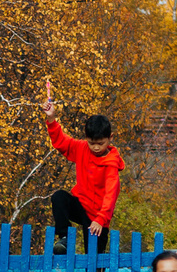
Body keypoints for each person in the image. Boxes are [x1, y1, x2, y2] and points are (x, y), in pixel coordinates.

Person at [41, 80, 124, 245]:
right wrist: (51, 120)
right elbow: (61, 143)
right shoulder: (82, 148)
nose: (95, 147)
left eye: (100, 143)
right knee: (59, 197)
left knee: (94, 261)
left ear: (110, 138)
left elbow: (110, 194)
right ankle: (64, 238)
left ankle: (95, 271)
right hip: (80, 205)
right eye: (92, 143)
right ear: (86, 138)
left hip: (99, 215)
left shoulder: (111, 164)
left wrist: (101, 219)